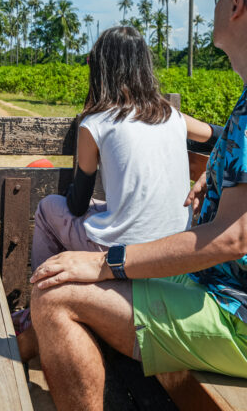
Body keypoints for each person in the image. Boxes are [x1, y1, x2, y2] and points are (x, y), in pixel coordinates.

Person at [30, 0, 247, 411]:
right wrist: (218, 166)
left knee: (52, 293)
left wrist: (106, 265)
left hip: (233, 307)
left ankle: (34, 327)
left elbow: (233, 237)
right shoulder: (177, 113)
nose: (211, 10)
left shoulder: (96, 119)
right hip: (203, 273)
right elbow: (226, 139)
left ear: (237, 5)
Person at [15, 26, 218, 357]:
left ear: (100, 70)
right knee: (103, 209)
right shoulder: (173, 115)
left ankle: (36, 310)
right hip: (175, 245)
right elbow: (219, 134)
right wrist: (212, 169)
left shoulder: (95, 121)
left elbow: (78, 204)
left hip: (122, 249)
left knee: (49, 208)